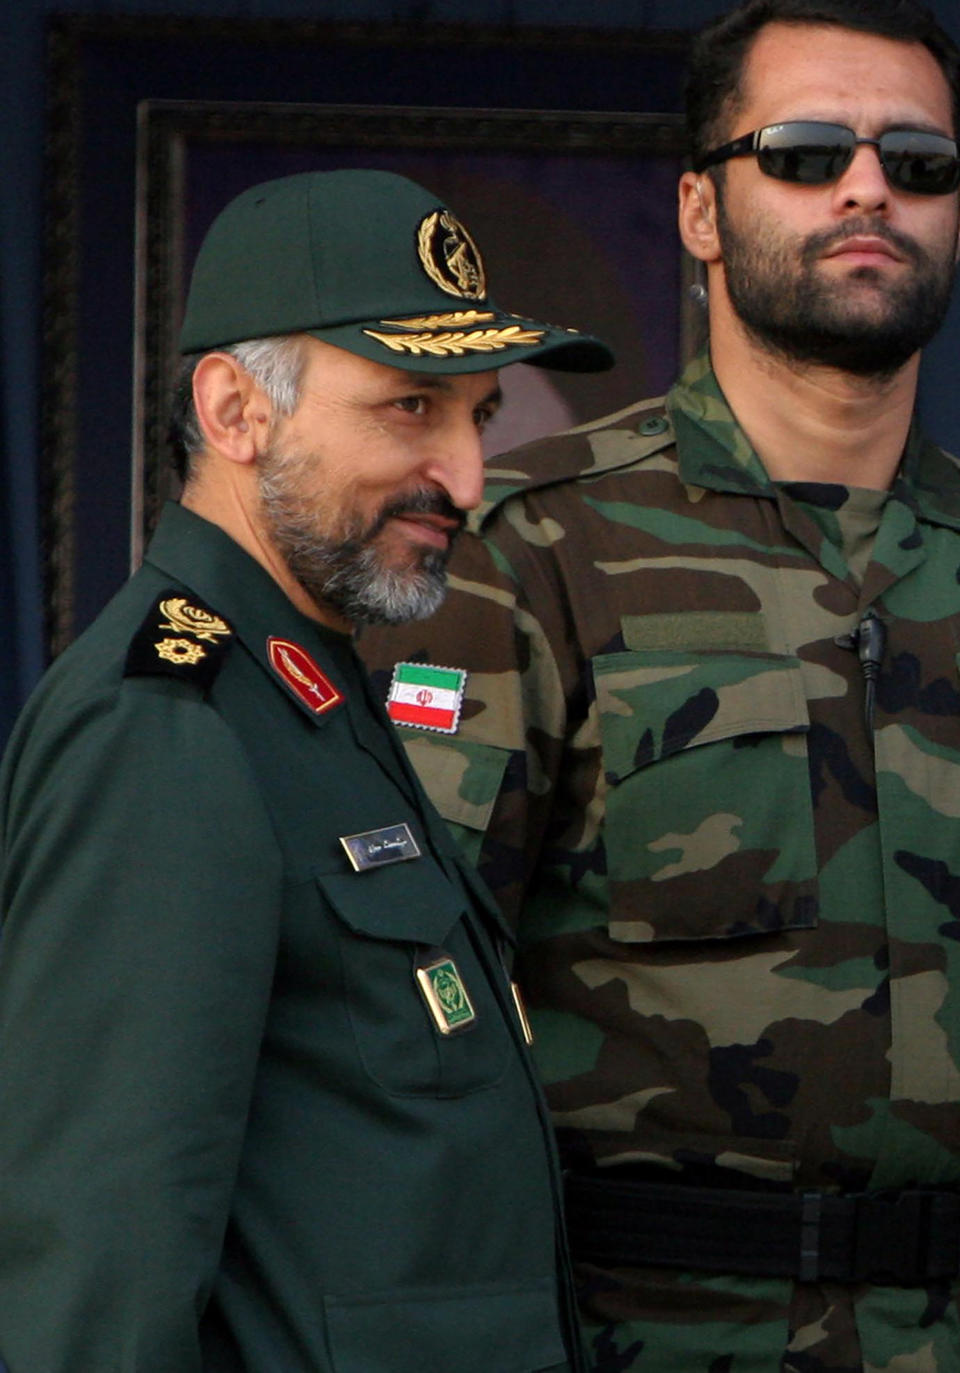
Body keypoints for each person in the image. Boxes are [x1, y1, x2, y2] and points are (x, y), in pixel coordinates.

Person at [359, 3, 960, 1369]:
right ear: (699, 210)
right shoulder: (533, 548)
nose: (871, 186)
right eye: (807, 151)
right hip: (650, 1332)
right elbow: (399, 1011)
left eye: (921, 163)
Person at [0, 168, 613, 1372]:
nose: (467, 477)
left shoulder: (308, 688)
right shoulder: (166, 726)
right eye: (410, 408)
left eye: (478, 416)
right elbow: (98, 1275)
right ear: (236, 411)